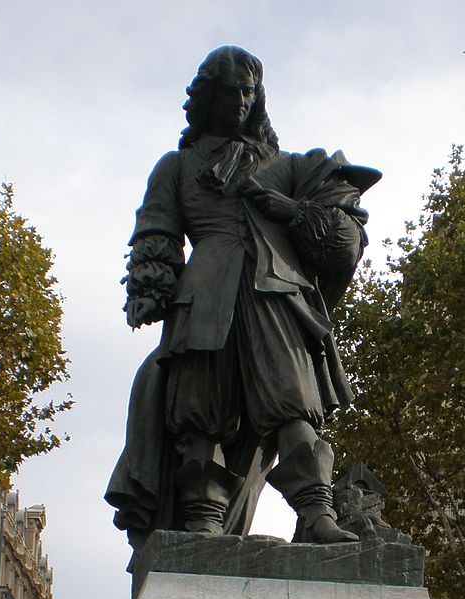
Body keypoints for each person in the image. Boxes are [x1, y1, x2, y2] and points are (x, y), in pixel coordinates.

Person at [106, 45, 380, 561]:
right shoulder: (178, 166)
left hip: (273, 291)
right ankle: (202, 521)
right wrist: (150, 287)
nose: (238, 102)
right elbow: (157, 228)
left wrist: (293, 211)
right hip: (204, 294)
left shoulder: (290, 166)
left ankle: (317, 511)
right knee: (201, 413)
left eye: (247, 93)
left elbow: (345, 237)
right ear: (206, 98)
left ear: (259, 100)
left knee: (292, 403)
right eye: (228, 91)